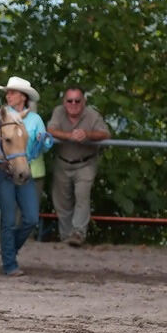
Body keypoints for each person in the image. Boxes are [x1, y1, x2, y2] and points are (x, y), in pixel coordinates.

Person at [0, 77, 52, 276]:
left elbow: (45, 144)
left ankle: (9, 251)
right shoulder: (1, 116)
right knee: (9, 220)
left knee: (31, 218)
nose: (8, 96)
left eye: (12, 92)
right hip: (4, 170)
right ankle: (9, 263)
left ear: (23, 97)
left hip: (24, 171)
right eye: (8, 92)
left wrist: (43, 141)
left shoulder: (35, 120)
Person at [47, 86, 111, 246]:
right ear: (64, 102)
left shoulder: (92, 114)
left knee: (82, 196)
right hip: (62, 162)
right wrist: (69, 136)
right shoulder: (58, 112)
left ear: (84, 102)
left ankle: (78, 233)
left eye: (77, 100)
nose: (73, 103)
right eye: (70, 100)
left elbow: (105, 134)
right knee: (62, 201)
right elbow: (50, 129)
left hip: (85, 163)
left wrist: (87, 135)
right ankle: (66, 236)